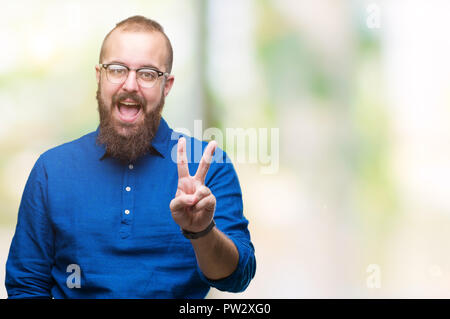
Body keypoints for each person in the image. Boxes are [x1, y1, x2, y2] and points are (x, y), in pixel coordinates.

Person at [5, 15, 256, 298]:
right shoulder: (51, 170)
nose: (130, 85)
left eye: (148, 73)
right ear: (99, 76)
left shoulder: (210, 165)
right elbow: (26, 286)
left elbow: (237, 277)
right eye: (117, 69)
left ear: (167, 85)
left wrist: (202, 231)